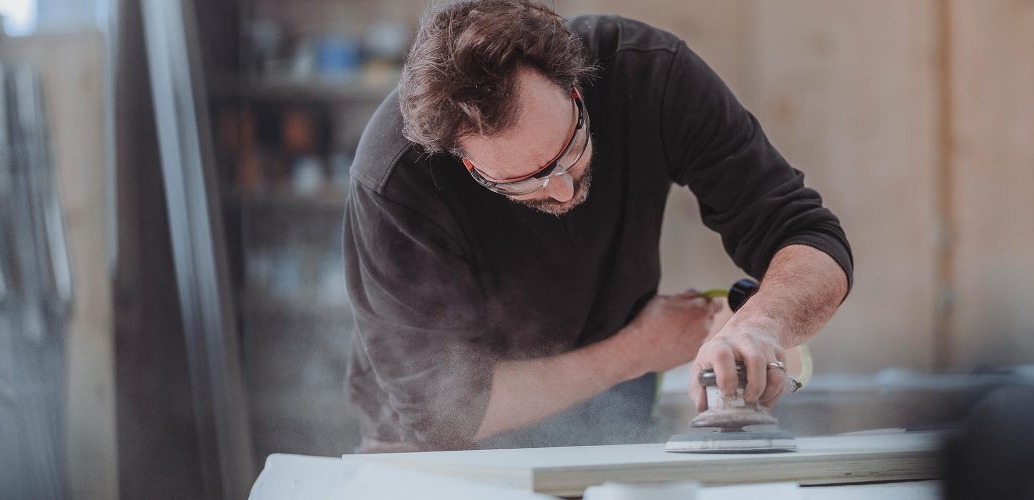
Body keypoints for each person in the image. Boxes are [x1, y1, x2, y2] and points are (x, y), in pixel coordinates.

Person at [343, 0, 852, 452]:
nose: (563, 190)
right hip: (438, 450)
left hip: (613, 419)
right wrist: (635, 351)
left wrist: (760, 325)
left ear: (574, 86)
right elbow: (441, 413)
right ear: (466, 162)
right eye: (522, 181)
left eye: (570, 149)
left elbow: (809, 234)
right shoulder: (394, 180)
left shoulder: (649, 73)